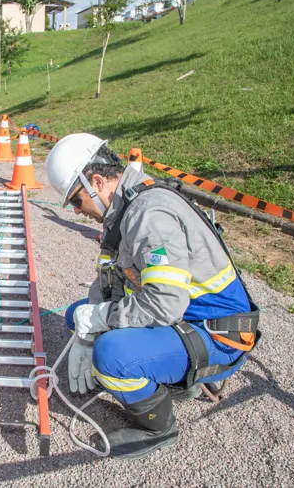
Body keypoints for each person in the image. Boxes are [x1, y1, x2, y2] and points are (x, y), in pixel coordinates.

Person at [45, 134, 261, 460]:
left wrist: (102, 322)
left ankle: (157, 429)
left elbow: (165, 303)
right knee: (77, 314)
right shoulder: (126, 208)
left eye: (76, 201)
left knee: (111, 354)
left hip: (217, 332)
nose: (77, 212)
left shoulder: (149, 216)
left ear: (97, 182)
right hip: (186, 319)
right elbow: (110, 280)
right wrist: (89, 318)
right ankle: (148, 370)